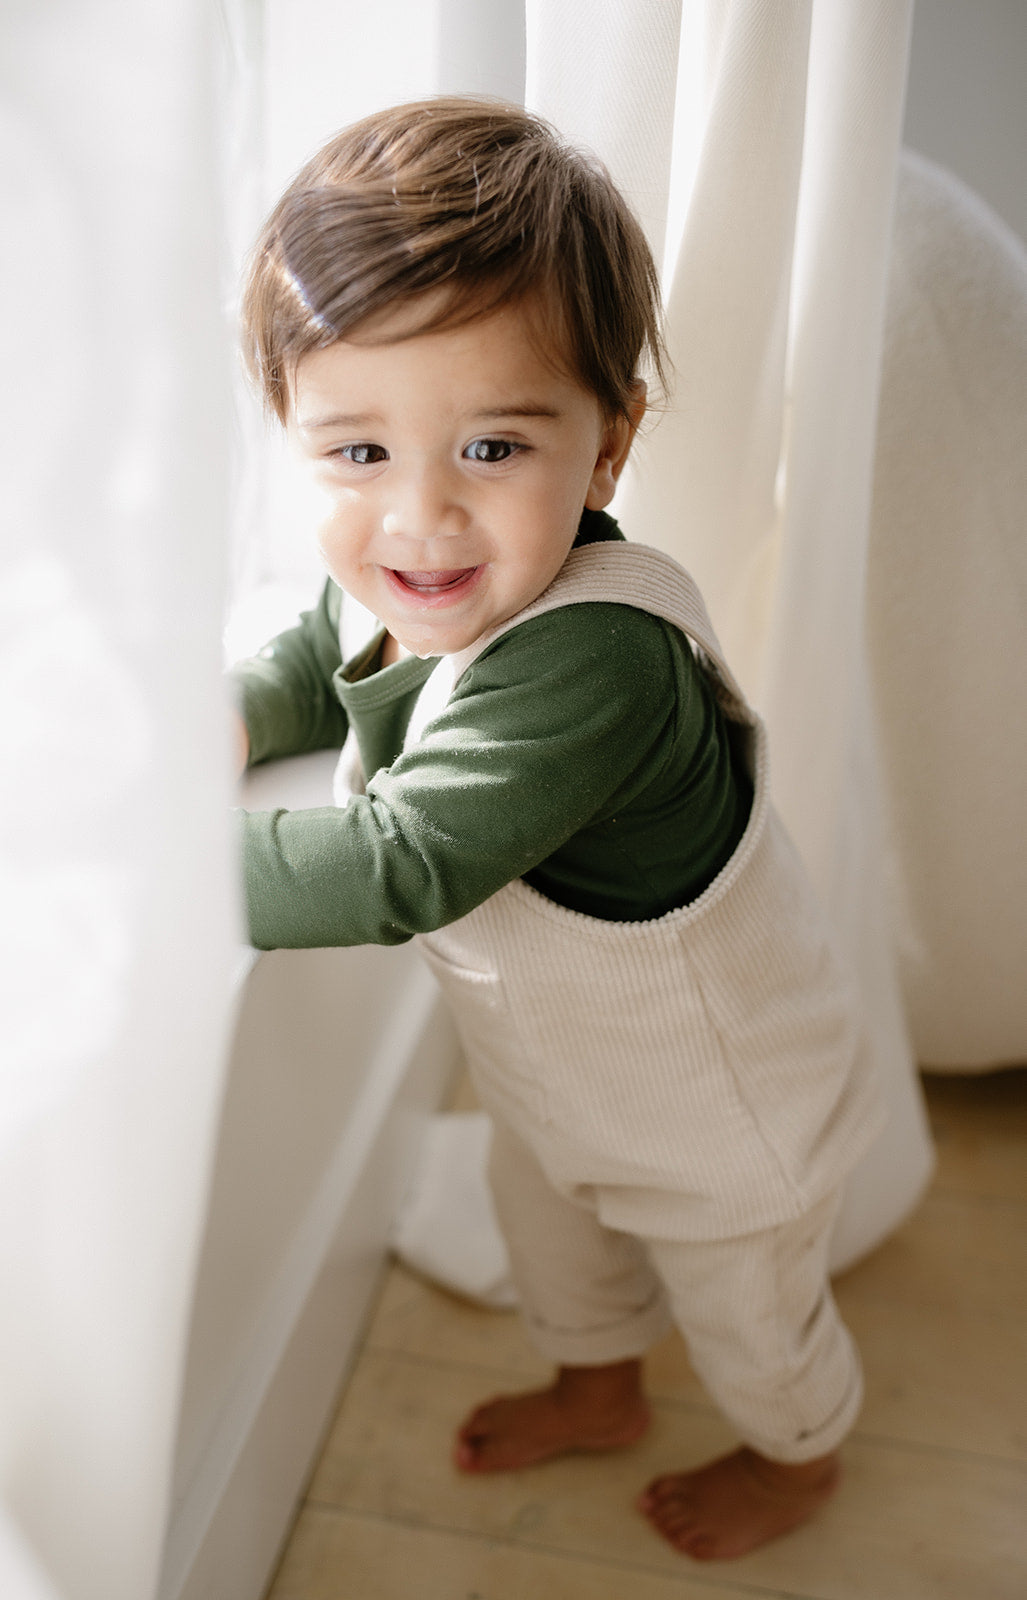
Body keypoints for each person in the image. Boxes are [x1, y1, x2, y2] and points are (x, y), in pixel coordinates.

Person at [230, 97, 884, 1562]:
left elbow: (399, 863)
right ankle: (598, 1386)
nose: (420, 520)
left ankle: (799, 1454)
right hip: (562, 1078)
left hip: (722, 1111)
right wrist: (239, 714)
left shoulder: (595, 661)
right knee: (554, 1243)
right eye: (357, 453)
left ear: (605, 448)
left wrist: (144, 871)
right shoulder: (416, 576)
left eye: (490, 447)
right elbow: (324, 648)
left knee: (751, 1318)